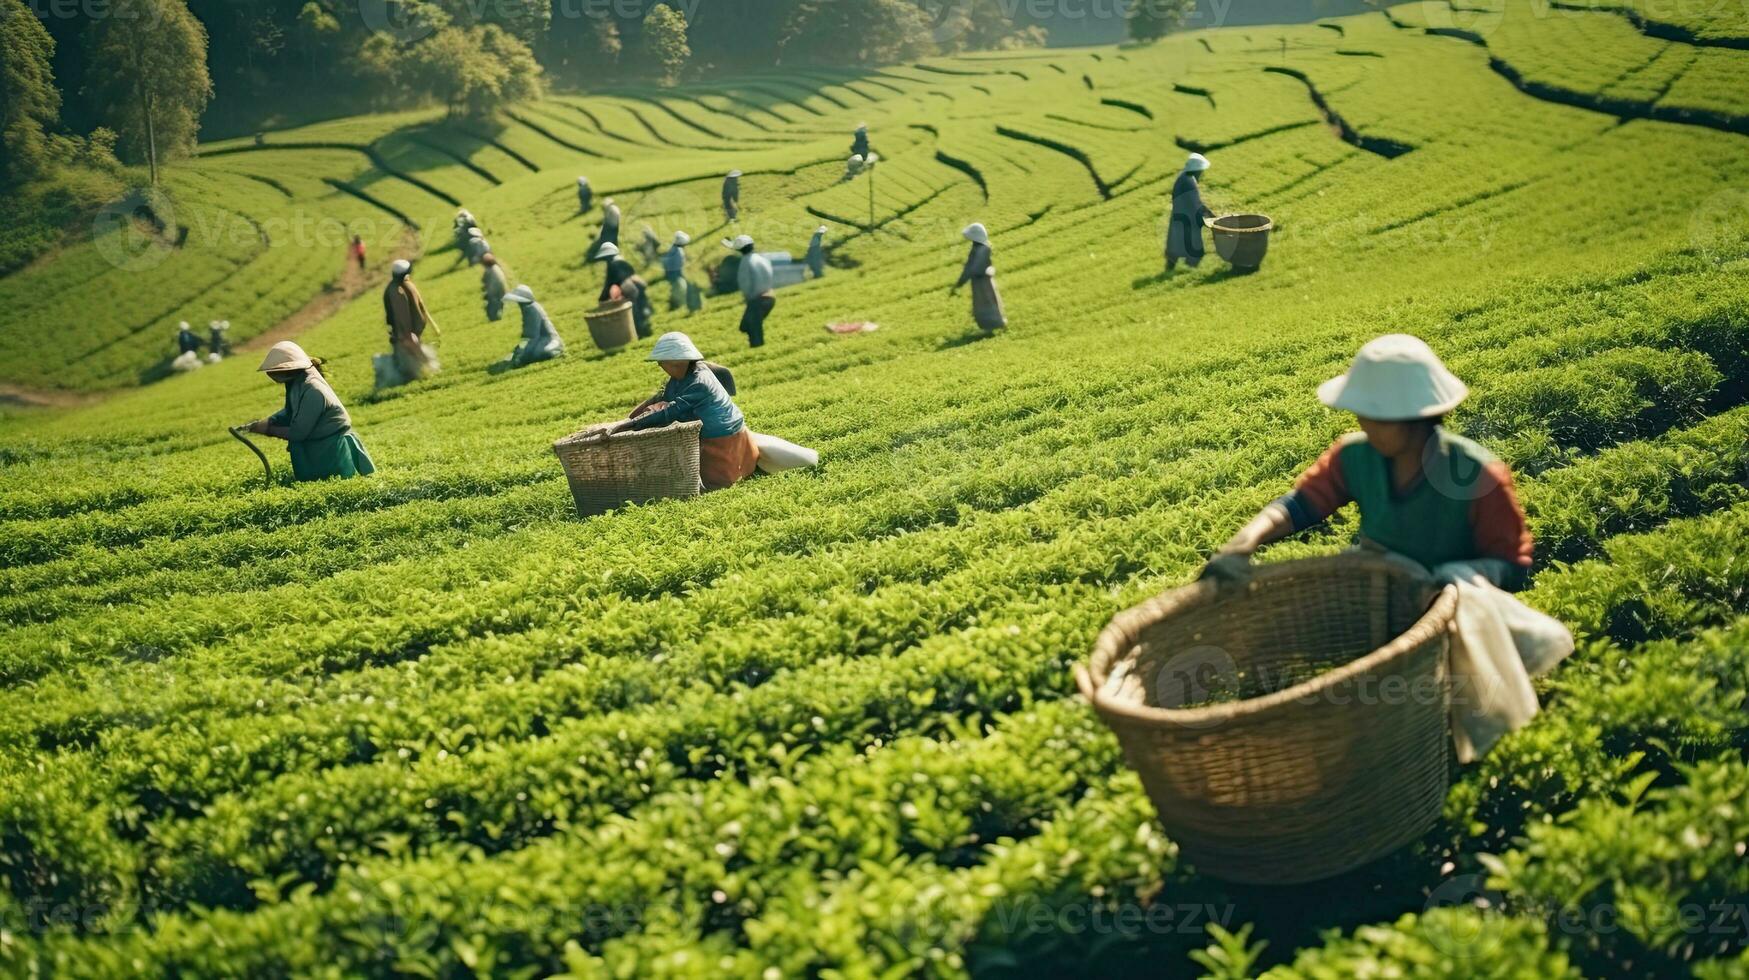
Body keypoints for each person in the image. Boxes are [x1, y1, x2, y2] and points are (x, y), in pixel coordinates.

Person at [1201, 334, 1573, 762]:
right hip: (1379, 587)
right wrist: (1243, 543)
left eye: (1375, 415)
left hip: (1449, 607)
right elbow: (1302, 503)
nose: (1362, 421)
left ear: (1416, 418)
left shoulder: (1475, 473)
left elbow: (1513, 563)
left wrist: (1454, 580)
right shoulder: (1355, 456)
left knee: (1441, 711)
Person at [606, 331, 759, 491]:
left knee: (714, 486)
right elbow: (662, 397)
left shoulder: (700, 383)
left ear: (676, 363)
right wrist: (630, 419)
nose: (660, 366)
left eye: (662, 363)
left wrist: (633, 425)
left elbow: (671, 411)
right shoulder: (681, 377)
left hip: (723, 436)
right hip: (713, 432)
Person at [245, 341, 375, 481]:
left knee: (338, 486)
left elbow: (298, 432)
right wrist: (269, 421)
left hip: (332, 450)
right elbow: (290, 411)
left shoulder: (313, 389)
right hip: (318, 449)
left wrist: (268, 430)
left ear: (289, 369)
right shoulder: (296, 383)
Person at [381, 259, 441, 385]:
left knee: (410, 362)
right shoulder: (396, 292)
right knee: (409, 365)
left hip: (411, 333)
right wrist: (407, 335)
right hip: (405, 335)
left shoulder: (404, 285)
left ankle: (425, 374)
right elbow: (401, 317)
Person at [951, 223, 1006, 331]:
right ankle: (990, 326)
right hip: (980, 281)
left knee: (987, 302)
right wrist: (960, 282)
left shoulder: (982, 249)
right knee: (985, 303)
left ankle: (994, 325)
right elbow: (970, 267)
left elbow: (972, 268)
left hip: (982, 282)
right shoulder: (978, 248)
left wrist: (960, 283)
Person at [594, 242, 654, 339]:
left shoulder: (613, 265)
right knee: (642, 309)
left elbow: (609, 283)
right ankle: (647, 330)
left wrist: (602, 298)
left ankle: (642, 333)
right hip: (636, 285)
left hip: (629, 289)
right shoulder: (621, 259)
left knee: (635, 313)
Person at [1166, 152, 1214, 272]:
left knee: (1175, 247)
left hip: (1179, 217)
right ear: (1196, 170)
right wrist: (1210, 216)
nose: (1202, 173)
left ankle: (1172, 270)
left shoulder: (1183, 176)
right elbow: (1196, 204)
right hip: (1187, 220)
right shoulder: (1189, 182)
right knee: (1195, 251)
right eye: (1201, 171)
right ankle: (1190, 273)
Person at [726, 234, 773, 348]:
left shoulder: (745, 262)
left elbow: (745, 282)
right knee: (752, 324)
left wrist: (748, 297)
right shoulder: (761, 258)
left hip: (757, 298)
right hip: (770, 296)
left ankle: (757, 348)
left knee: (750, 325)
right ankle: (759, 347)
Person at [503, 284, 565, 366]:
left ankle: (557, 348)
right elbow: (527, 336)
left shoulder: (531, 309)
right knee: (521, 353)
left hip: (548, 339)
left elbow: (532, 336)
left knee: (538, 354)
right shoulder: (529, 308)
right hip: (540, 339)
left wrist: (522, 357)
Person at [663, 231, 691, 311]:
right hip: (676, 275)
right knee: (679, 290)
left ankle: (673, 304)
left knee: (675, 290)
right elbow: (680, 266)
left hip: (670, 274)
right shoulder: (679, 252)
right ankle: (678, 305)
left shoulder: (672, 249)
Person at [481, 253, 508, 322]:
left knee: (490, 307)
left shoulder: (488, 270)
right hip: (502, 290)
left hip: (494, 291)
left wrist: (486, 293)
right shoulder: (497, 267)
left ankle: (494, 319)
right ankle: (500, 315)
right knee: (499, 303)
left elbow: (484, 281)